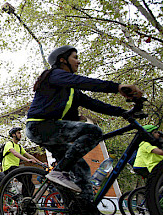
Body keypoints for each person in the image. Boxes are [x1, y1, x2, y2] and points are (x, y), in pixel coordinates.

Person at [25, 45, 143, 214]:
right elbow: (84, 82)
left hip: (50, 130)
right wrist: (117, 87)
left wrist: (123, 113)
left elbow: (95, 104)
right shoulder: (55, 75)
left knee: (82, 168)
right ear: (62, 60)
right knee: (93, 131)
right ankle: (59, 171)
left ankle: (84, 209)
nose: (78, 61)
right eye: (75, 57)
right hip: (39, 127)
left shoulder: (72, 91)